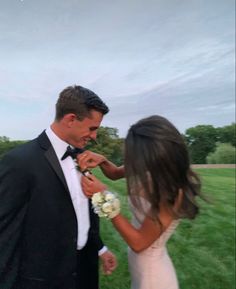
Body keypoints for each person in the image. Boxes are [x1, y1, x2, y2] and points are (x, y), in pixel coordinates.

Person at [0, 85, 117, 289]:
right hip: (43, 280)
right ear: (70, 119)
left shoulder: (82, 156)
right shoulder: (19, 162)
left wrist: (100, 248)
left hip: (84, 272)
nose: (94, 136)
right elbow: (5, 233)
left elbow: (82, 211)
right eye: (92, 128)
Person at [77, 115, 202, 289]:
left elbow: (138, 242)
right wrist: (103, 160)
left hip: (153, 276)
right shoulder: (147, 165)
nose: (133, 162)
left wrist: (104, 197)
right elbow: (114, 173)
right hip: (140, 268)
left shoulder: (173, 193)